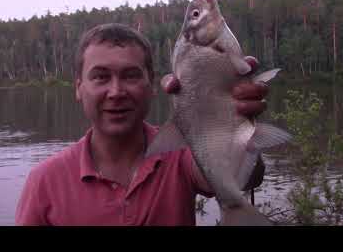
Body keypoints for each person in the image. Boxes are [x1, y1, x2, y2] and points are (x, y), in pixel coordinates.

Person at [15, 23, 268, 226]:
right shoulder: (44, 181)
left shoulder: (180, 154)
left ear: (152, 85)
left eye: (131, 75)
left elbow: (247, 178)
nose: (116, 92)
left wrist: (233, 119)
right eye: (101, 77)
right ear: (79, 88)